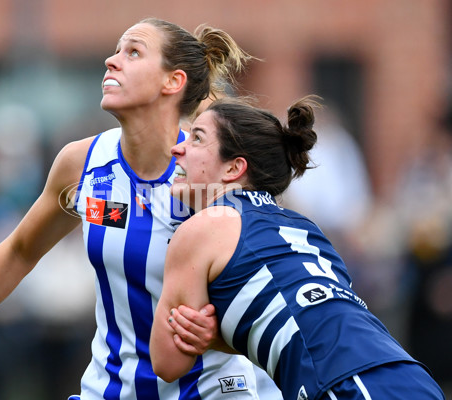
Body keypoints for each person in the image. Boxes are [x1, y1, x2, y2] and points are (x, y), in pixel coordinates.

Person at [0, 18, 273, 399]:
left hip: (209, 389)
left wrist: (221, 337)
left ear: (172, 82)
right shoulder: (82, 164)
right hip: (109, 389)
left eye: (133, 52)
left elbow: (274, 291)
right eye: (116, 50)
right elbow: (19, 251)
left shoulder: (215, 173)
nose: (112, 61)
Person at [150, 96, 445, 399]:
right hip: (407, 375)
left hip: (343, 384)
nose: (178, 148)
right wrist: (219, 335)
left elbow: (167, 362)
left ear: (234, 168)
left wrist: (208, 334)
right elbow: (297, 320)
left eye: (197, 138)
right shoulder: (306, 227)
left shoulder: (203, 226)